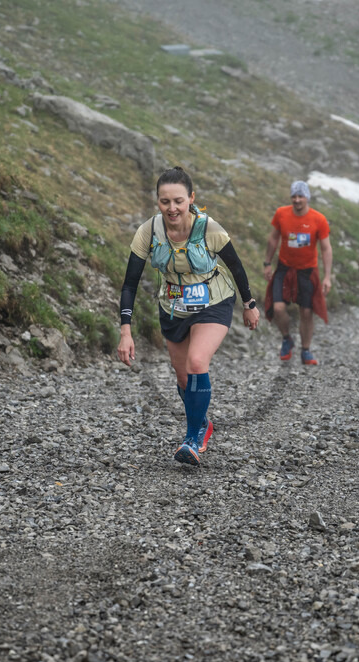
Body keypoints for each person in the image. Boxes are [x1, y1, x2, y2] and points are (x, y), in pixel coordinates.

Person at [117, 167, 260, 466]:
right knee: (183, 378)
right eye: (165, 201)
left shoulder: (209, 228)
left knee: (197, 362)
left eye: (178, 201)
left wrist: (249, 304)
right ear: (157, 201)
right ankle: (203, 423)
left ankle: (192, 438)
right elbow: (130, 283)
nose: (172, 208)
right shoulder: (148, 232)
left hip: (214, 301)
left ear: (191, 199)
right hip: (173, 308)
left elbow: (236, 266)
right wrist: (126, 331)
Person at [262, 180, 332, 365]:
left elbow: (326, 249)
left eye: (301, 196)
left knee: (306, 312)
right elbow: (273, 239)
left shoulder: (318, 219)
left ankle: (306, 350)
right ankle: (287, 338)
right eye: (294, 196)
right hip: (285, 268)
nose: (297, 200)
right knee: (277, 308)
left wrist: (327, 277)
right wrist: (267, 263)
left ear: (307, 197)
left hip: (307, 271)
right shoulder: (281, 214)